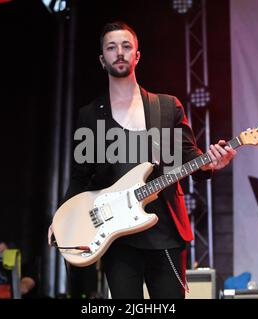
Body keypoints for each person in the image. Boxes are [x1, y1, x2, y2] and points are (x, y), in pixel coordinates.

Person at [48, 21, 236, 299]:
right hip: (117, 237)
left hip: (165, 232)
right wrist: (63, 217)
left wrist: (212, 162)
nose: (119, 52)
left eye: (126, 46)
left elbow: (189, 158)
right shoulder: (90, 115)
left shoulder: (167, 106)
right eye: (111, 48)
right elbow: (80, 177)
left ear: (137, 55)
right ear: (102, 60)